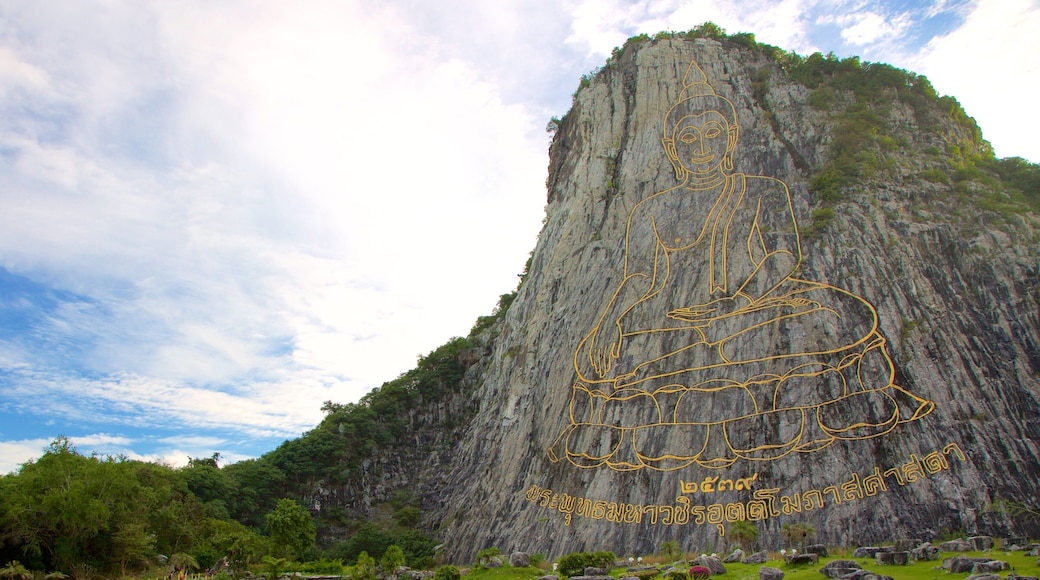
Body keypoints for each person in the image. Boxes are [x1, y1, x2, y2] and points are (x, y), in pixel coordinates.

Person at [548, 58, 933, 471]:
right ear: (673, 147)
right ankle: (696, 374)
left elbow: (782, 255)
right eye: (689, 138)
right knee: (601, 352)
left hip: (756, 310)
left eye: (712, 134)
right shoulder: (652, 209)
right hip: (677, 320)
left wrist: (739, 303)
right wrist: (609, 321)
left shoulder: (763, 189)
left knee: (833, 312)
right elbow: (642, 276)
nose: (701, 148)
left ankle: (711, 373)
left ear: (730, 138)